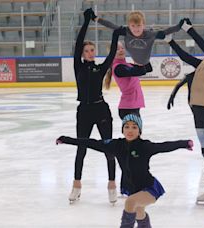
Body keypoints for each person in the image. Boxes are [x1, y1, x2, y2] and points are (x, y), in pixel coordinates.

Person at [56, 114, 193, 228]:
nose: (130, 130)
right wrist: (66, 140)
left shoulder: (145, 146)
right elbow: (92, 143)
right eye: (126, 127)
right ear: (122, 130)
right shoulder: (116, 145)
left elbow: (164, 146)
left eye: (134, 127)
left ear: (139, 131)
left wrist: (184, 144)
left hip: (149, 188)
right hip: (132, 189)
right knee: (139, 212)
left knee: (130, 203)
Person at [164, 18, 204, 205]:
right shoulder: (203, 64)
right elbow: (185, 57)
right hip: (198, 112)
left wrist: (190, 30)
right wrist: (170, 41)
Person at [69, 8, 125, 204]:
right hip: (84, 111)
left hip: (101, 110)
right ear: (82, 53)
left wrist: (116, 34)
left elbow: (111, 54)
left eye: (92, 50)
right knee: (81, 148)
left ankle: (111, 185)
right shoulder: (78, 65)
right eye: (87, 50)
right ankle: (76, 185)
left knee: (108, 147)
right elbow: (78, 43)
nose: (90, 53)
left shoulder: (101, 68)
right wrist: (86, 21)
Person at [104, 41, 146, 196]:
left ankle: (131, 185)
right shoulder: (119, 68)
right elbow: (140, 71)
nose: (120, 50)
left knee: (135, 149)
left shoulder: (126, 64)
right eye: (117, 48)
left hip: (133, 108)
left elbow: (146, 69)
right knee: (131, 150)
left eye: (122, 47)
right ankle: (128, 186)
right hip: (128, 109)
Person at [88, 9, 184, 76]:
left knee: (147, 70)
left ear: (143, 25)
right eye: (133, 26)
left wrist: (180, 26)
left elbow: (167, 31)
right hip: (137, 63)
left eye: (138, 25)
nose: (136, 29)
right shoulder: (126, 31)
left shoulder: (150, 34)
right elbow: (111, 25)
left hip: (146, 63)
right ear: (129, 25)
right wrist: (96, 18)